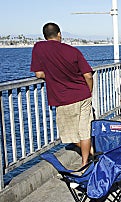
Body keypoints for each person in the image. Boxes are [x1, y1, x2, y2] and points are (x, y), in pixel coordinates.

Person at [30, 22, 93, 167]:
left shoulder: (39, 48)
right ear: (59, 34)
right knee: (84, 131)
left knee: (70, 135)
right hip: (83, 95)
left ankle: (92, 153)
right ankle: (85, 162)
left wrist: (54, 76)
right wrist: (89, 92)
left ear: (45, 36)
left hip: (64, 98)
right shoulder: (73, 51)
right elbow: (88, 75)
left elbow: (39, 74)